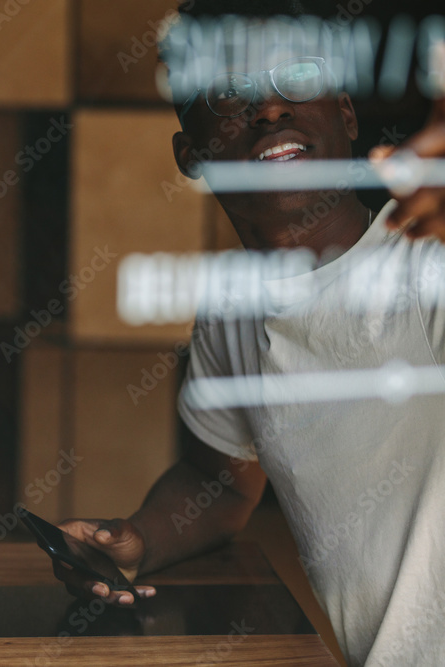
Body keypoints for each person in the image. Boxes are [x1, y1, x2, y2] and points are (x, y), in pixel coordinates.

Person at [56, 3, 445, 666]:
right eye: (232, 94)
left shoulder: (427, 264)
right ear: (192, 154)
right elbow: (224, 482)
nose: (270, 110)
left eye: (297, 75)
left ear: (345, 112)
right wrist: (138, 537)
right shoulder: (232, 310)